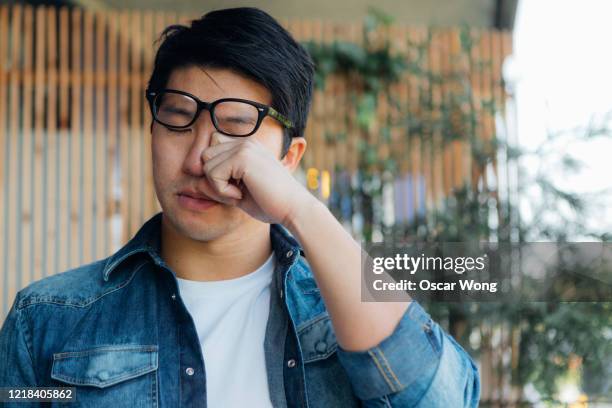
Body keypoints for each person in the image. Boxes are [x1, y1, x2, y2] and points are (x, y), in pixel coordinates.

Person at [0, 7, 479, 407]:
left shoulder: (345, 311)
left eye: (234, 127)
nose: (198, 161)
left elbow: (441, 399)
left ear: (289, 158)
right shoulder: (47, 322)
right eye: (178, 117)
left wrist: (300, 209)